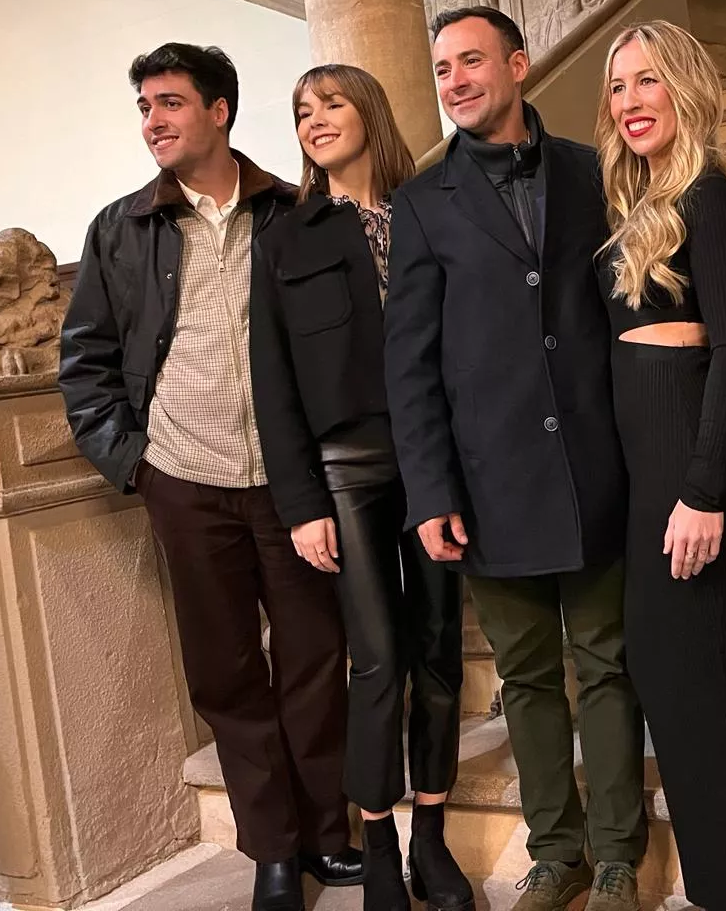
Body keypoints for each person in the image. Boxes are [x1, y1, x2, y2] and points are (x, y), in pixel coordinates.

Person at [59, 44, 361, 911]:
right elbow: (85, 362)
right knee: (226, 673)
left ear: (219, 110)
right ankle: (273, 849)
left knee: (314, 659)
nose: (152, 122)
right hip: (185, 481)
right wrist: (136, 464)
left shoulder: (292, 212)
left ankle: (328, 833)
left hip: (292, 486)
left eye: (170, 103)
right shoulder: (121, 229)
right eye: (144, 107)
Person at [384, 7, 646, 911]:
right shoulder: (423, 203)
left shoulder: (593, 170)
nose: (455, 81)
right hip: (488, 486)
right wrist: (430, 492)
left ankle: (617, 858)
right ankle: (556, 854)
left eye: (471, 61)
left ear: (519, 64)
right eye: (442, 68)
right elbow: (410, 366)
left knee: (607, 666)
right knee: (528, 678)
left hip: (596, 467)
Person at [256, 64, 471, 911]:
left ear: (370, 112)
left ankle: (432, 839)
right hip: (345, 469)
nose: (314, 120)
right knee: (378, 659)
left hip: (437, 462)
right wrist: (301, 504)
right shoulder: (286, 237)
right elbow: (272, 382)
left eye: (331, 104)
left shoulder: (431, 212)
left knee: (440, 654)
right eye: (301, 111)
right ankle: (377, 838)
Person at [594, 21, 726, 911]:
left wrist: (704, 488)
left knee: (712, 684)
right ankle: (721, 884)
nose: (630, 101)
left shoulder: (709, 196)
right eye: (618, 85)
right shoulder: (635, 206)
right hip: (645, 470)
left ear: (686, 88)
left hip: (693, 467)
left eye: (648, 80)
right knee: (669, 680)